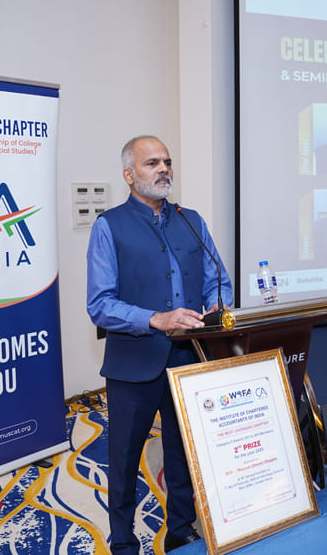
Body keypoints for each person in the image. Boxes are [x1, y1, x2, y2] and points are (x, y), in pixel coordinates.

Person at [86, 135, 232, 554]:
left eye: (167, 161)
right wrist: (155, 318)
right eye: (152, 163)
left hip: (189, 357)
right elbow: (100, 305)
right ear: (129, 175)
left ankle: (180, 529)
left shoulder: (191, 220)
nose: (164, 168)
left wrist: (217, 304)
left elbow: (218, 280)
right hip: (134, 363)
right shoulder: (109, 226)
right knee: (125, 458)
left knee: (183, 450)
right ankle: (123, 541)